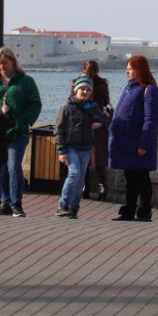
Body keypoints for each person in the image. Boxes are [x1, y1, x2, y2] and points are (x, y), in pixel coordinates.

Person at [0, 47, 42, 217]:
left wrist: (23, 120)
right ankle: (5, 201)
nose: (2, 67)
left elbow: (35, 104)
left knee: (13, 167)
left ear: (13, 62)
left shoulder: (26, 81)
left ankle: (16, 203)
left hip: (17, 131)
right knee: (0, 169)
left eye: (5, 63)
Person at [109, 55, 158, 222]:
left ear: (139, 70)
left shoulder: (149, 90)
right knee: (130, 178)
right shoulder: (128, 88)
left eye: (130, 69)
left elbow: (150, 119)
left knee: (142, 178)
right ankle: (128, 210)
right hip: (126, 143)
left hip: (139, 143)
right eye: (127, 68)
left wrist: (143, 144)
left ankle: (144, 211)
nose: (127, 72)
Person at [55, 76, 106, 219]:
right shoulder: (66, 108)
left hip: (86, 148)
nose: (85, 92)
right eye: (82, 89)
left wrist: (99, 123)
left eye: (88, 90)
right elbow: (59, 130)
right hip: (71, 147)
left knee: (81, 178)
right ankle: (62, 205)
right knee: (74, 174)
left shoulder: (93, 107)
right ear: (76, 90)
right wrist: (61, 151)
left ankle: (74, 207)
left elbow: (102, 118)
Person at [73, 60, 112, 201]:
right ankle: (103, 187)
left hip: (82, 123)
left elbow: (71, 100)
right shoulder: (102, 84)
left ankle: (85, 188)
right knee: (98, 158)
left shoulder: (78, 83)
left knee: (84, 158)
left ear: (83, 69)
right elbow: (106, 101)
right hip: (98, 124)